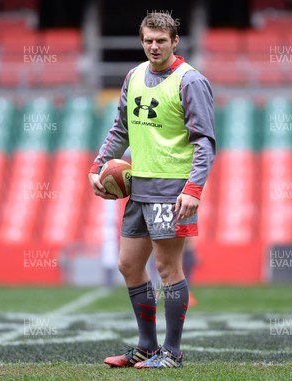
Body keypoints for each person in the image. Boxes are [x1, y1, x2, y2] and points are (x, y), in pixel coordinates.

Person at [88, 11, 215, 369]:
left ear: (175, 41)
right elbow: (120, 130)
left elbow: (204, 141)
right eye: (148, 40)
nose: (154, 46)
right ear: (141, 41)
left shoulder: (191, 81)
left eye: (161, 40)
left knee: (167, 267)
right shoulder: (133, 76)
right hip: (138, 188)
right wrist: (98, 166)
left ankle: (172, 353)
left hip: (172, 189)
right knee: (128, 265)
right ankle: (146, 346)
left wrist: (193, 188)